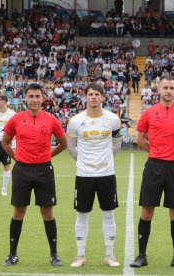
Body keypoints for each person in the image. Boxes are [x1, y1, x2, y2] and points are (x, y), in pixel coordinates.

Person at [130, 75, 174, 269]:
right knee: (147, 210)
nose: (168, 91)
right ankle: (141, 256)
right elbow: (140, 139)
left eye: (171, 88)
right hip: (154, 166)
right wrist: (155, 152)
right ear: (158, 90)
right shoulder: (149, 112)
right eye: (165, 88)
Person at [1, 83, 67, 266]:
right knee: (18, 212)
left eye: (37, 96)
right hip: (22, 170)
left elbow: (63, 143)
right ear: (25, 99)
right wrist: (17, 159)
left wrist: (48, 156)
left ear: (43, 98)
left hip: (44, 170)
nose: (34, 100)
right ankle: (12, 254)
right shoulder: (16, 119)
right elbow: (5, 142)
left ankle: (54, 254)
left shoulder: (51, 119)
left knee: (47, 213)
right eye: (31, 96)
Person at [66, 83, 122, 267]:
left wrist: (105, 162)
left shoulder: (113, 119)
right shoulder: (75, 121)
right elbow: (70, 147)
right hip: (83, 175)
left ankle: (110, 255)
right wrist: (83, 162)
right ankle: (80, 255)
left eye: (97, 94)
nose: (93, 97)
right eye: (90, 94)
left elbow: (117, 145)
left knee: (108, 213)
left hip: (107, 173)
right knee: (82, 214)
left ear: (103, 97)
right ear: (85, 96)